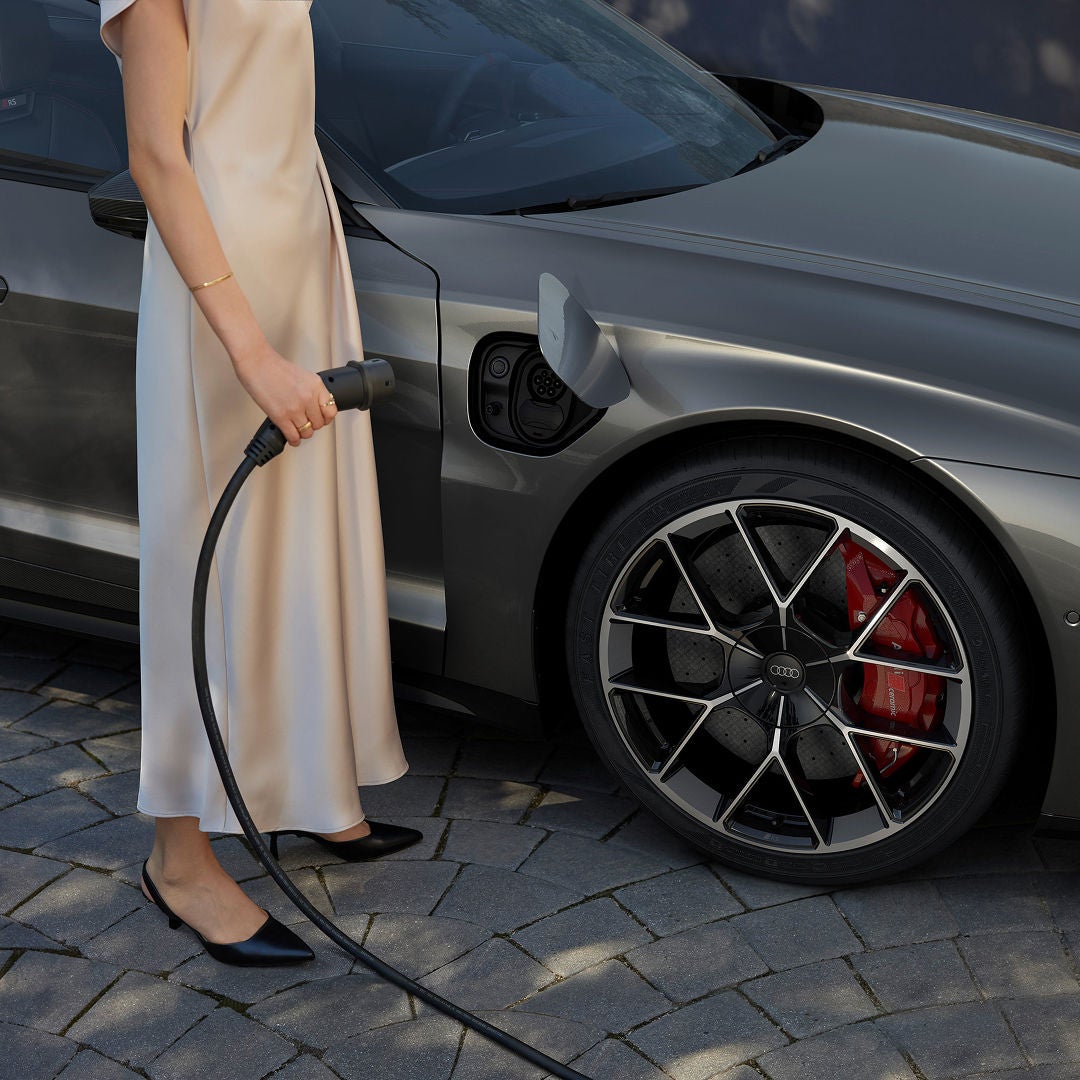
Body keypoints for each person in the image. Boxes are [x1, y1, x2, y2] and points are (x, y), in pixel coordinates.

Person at [98, 0, 421, 966]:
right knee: (202, 559)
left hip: (301, 244)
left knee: (306, 538)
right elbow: (156, 154)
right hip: (219, 276)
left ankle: (310, 785)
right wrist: (250, 352)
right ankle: (179, 860)